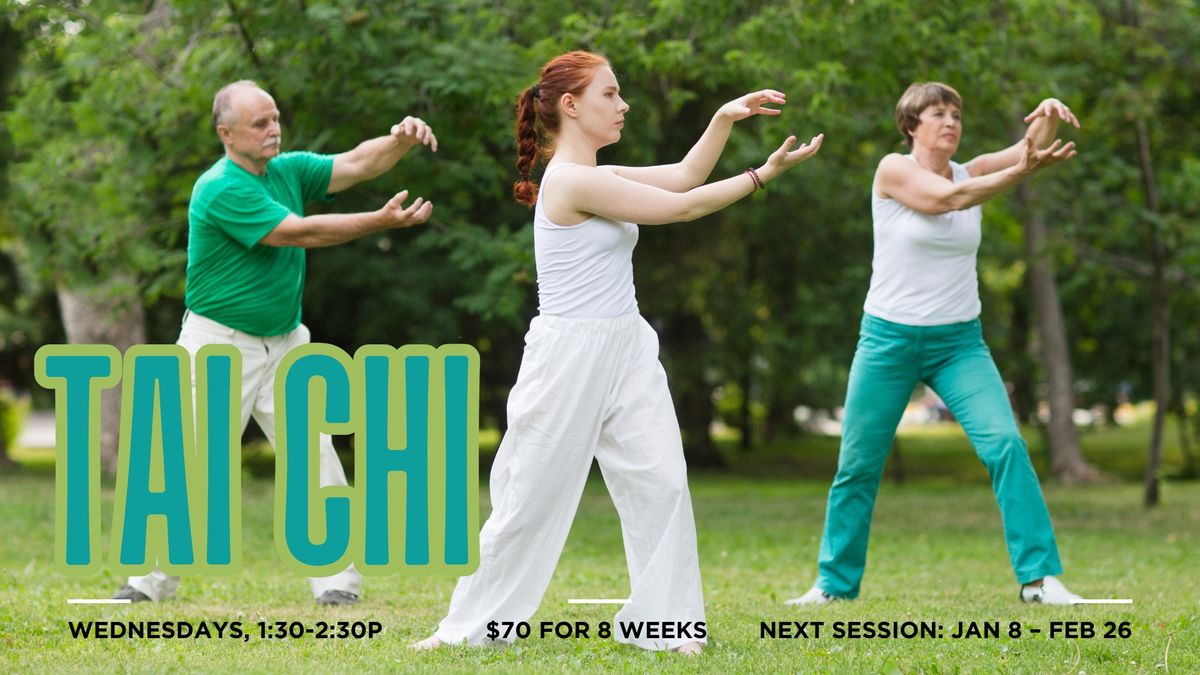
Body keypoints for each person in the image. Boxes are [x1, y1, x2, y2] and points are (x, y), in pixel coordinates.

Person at [411, 50, 823, 655]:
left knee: (661, 480)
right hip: (568, 355)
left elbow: (684, 176)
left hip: (626, 344)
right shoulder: (575, 181)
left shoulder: (600, 174)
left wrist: (723, 120)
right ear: (572, 106)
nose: (623, 103)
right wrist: (762, 174)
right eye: (611, 94)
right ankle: (468, 629)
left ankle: (669, 625)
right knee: (529, 497)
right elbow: (683, 208)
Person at [112, 79, 436, 606]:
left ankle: (337, 583)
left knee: (316, 455)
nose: (273, 129)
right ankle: (149, 582)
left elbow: (355, 163)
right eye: (260, 123)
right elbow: (298, 232)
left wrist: (400, 139)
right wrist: (378, 222)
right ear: (227, 133)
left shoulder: (286, 171)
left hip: (285, 343)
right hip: (219, 345)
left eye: (275, 118)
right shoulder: (219, 187)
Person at [788, 82, 1082, 606]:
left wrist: (1050, 114)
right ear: (911, 125)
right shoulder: (894, 170)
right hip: (887, 341)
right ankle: (834, 585)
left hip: (959, 345)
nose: (950, 122)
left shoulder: (974, 169)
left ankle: (1039, 579)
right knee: (858, 463)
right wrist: (1019, 173)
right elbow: (948, 199)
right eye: (937, 114)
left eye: (956, 115)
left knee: (1006, 445)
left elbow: (1026, 150)